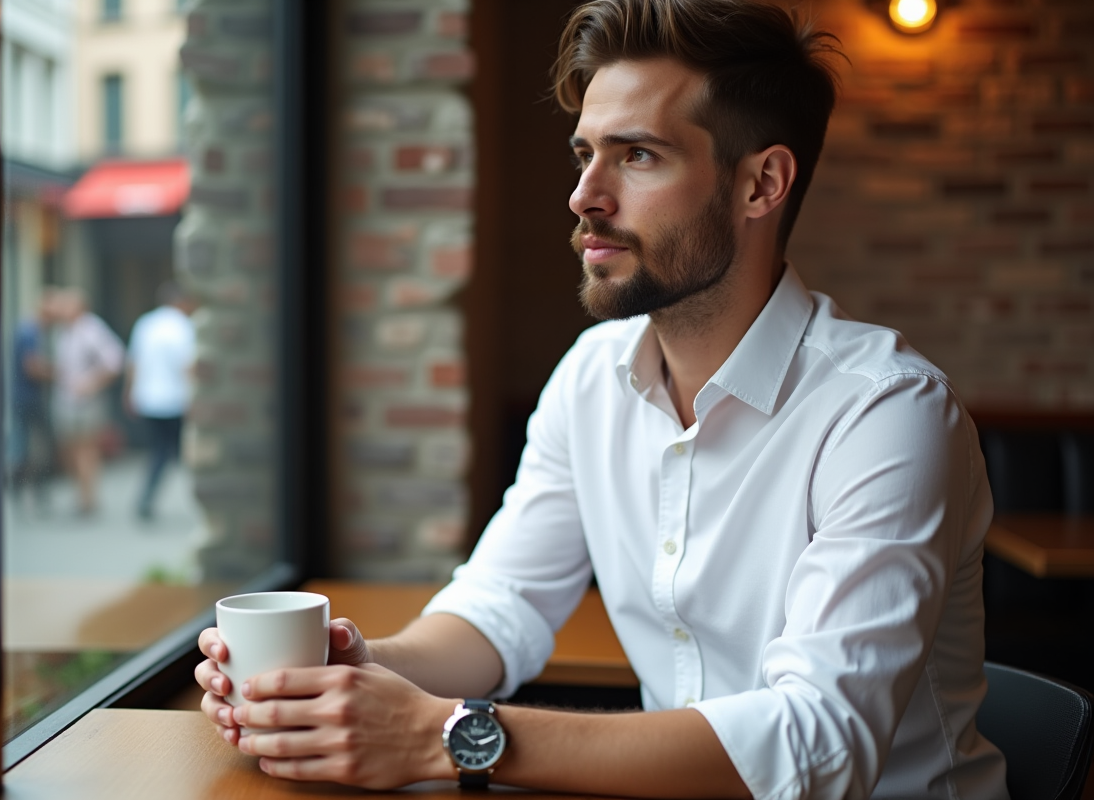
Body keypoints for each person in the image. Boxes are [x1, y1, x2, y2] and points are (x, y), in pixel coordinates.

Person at [195, 1, 1009, 797]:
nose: (586, 195)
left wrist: (439, 735)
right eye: (584, 153)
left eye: (638, 156)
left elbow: (818, 747)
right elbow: (496, 611)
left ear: (762, 184)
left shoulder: (888, 414)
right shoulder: (591, 378)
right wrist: (349, 676)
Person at [123, 281, 196, 520]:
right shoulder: (183, 326)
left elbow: (133, 362)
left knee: (160, 451)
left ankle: (147, 498)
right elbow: (186, 366)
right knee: (181, 452)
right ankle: (200, 500)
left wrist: (129, 393)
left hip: (148, 399)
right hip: (176, 400)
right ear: (180, 301)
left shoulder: (146, 323)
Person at [52, 288, 124, 516]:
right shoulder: (63, 332)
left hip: (86, 401)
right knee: (70, 450)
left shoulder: (91, 330)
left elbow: (114, 360)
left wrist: (91, 384)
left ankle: (87, 499)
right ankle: (81, 495)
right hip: (65, 399)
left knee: (86, 449)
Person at [8, 288, 59, 507]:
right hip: (28, 396)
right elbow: (32, 367)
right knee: (35, 446)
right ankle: (30, 491)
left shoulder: (31, 329)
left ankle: (26, 492)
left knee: (27, 444)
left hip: (25, 395)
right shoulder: (29, 331)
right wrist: (60, 373)